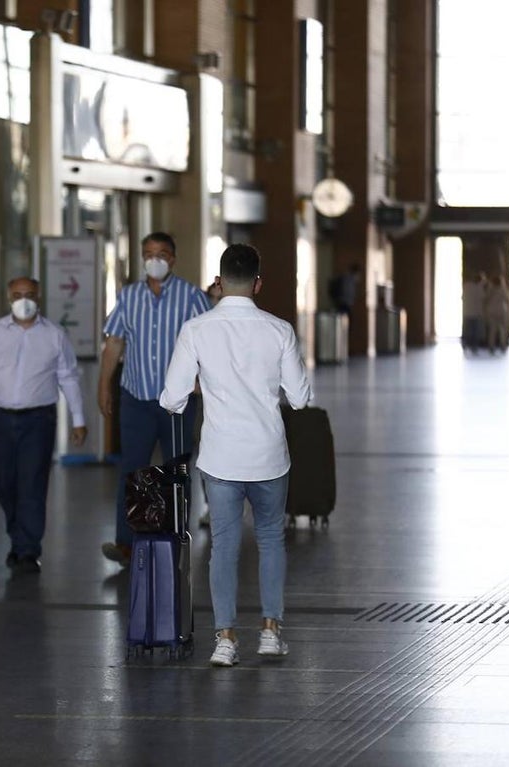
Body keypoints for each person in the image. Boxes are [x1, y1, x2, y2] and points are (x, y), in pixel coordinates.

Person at [159, 243, 311, 667]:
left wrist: (200, 387)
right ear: (258, 283)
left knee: (223, 546)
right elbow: (300, 398)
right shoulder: (279, 330)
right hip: (268, 455)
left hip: (220, 457)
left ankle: (225, 639)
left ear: (220, 283)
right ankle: (270, 631)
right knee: (270, 539)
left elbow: (171, 397)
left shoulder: (196, 330)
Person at [98, 232, 210, 566]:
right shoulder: (128, 296)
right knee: (132, 471)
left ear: (173, 259)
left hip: (178, 401)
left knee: (176, 471)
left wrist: (204, 384)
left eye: (161, 253)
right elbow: (114, 344)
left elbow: (209, 343)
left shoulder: (192, 297)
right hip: (136, 398)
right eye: (148, 253)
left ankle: (174, 541)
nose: (154, 260)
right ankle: (127, 543)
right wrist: (104, 386)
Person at [0, 277, 87, 574]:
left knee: (32, 484)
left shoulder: (54, 335)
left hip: (39, 420)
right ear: (9, 298)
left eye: (29, 294)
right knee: (6, 485)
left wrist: (79, 419)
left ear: (39, 297)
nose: (24, 300)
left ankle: (27, 551)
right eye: (17, 295)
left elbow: (69, 378)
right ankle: (18, 538)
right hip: (1, 418)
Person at [483, 274, 509, 354]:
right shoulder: (503, 289)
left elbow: (486, 299)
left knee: (492, 330)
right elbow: (506, 299)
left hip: (492, 311)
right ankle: (503, 345)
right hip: (501, 311)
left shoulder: (490, 289)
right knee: (502, 330)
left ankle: (491, 346)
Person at [462, 272, 486, 353]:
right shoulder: (479, 288)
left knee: (467, 330)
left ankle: (465, 345)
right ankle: (474, 347)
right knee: (475, 331)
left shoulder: (466, 286)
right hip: (476, 313)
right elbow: (483, 299)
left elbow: (462, 297)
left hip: (467, 312)